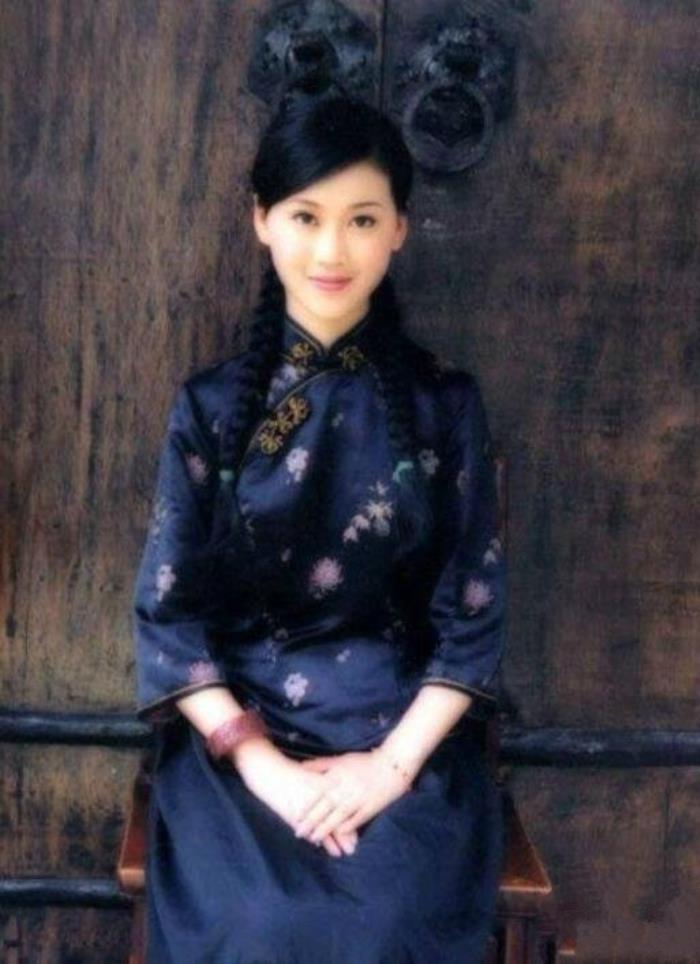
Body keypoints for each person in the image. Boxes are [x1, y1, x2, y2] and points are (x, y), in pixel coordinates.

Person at [132, 83, 507, 963]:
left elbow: (473, 616)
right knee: (261, 927)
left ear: (399, 229)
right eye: (306, 216)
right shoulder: (209, 409)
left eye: (362, 220)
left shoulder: (446, 406)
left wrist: (389, 769)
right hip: (239, 753)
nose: (332, 250)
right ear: (262, 220)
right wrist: (268, 771)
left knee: (383, 928)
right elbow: (170, 618)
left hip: (408, 744)